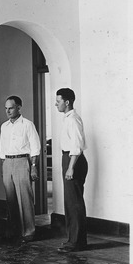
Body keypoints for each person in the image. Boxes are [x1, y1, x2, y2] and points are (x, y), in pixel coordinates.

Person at [0, 95, 41, 243]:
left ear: (18, 108)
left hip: (23, 161)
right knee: (10, 199)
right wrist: (4, 166)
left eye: (10, 108)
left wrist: (34, 167)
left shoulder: (27, 125)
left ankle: (29, 232)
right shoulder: (4, 126)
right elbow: (2, 148)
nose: (8, 111)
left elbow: (35, 147)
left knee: (25, 198)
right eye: (6, 108)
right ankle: (14, 231)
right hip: (8, 162)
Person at [55, 88, 88, 253]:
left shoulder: (73, 119)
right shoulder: (67, 119)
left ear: (67, 102)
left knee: (74, 203)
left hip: (73, 160)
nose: (56, 104)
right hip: (68, 159)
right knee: (70, 202)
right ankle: (73, 240)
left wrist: (70, 167)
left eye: (58, 101)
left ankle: (77, 242)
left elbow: (77, 146)